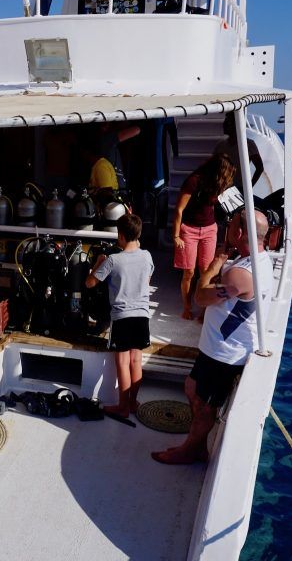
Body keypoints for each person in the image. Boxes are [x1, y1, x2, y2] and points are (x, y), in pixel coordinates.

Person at [153, 208, 273, 465]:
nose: (225, 226)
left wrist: (215, 264)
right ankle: (196, 446)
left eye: (229, 223)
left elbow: (200, 296)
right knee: (191, 387)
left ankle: (190, 451)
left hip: (225, 354)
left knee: (205, 406)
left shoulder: (238, 274)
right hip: (215, 349)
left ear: (239, 232)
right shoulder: (260, 261)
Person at [85, 213, 154, 423]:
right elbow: (147, 278)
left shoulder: (113, 260)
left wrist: (98, 262)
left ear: (120, 236)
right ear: (139, 234)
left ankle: (122, 408)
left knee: (123, 362)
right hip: (142, 315)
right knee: (135, 360)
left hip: (122, 317)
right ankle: (133, 402)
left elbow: (90, 283)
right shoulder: (147, 256)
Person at [173, 155, 235, 320]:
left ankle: (203, 310)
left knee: (206, 272)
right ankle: (187, 307)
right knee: (189, 272)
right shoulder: (194, 181)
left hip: (209, 230)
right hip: (189, 230)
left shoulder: (217, 184)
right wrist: (176, 235)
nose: (227, 179)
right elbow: (179, 209)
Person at [213, 113, 264, 190]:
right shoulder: (220, 145)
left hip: (239, 189)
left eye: (228, 122)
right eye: (225, 122)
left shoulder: (249, 144)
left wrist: (249, 187)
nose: (224, 124)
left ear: (236, 125)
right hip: (222, 189)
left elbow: (260, 168)